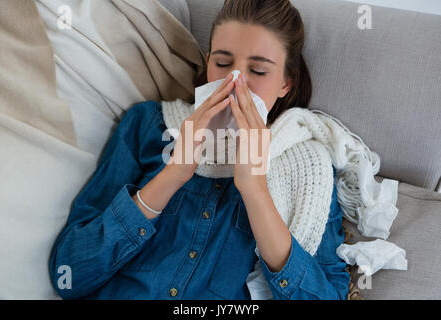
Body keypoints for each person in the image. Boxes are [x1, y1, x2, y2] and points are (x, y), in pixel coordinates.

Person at [49, 0, 350, 300]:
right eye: (222, 64)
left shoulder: (309, 166)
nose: (235, 82)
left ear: (286, 83)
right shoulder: (148, 125)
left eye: (257, 70)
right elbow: (69, 274)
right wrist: (174, 175)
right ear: (207, 64)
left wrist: (255, 190)